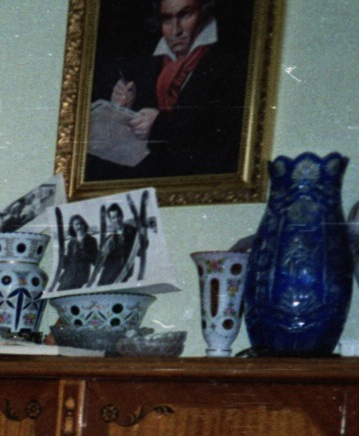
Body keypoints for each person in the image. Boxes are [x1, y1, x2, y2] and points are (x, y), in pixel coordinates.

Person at [94, 0, 247, 179]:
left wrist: (158, 125)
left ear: (204, 13)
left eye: (185, 15)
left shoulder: (228, 65)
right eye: (167, 19)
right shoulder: (151, 69)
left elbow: (219, 141)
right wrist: (122, 108)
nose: (176, 30)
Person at [52, 211, 99, 291]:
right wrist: (61, 256)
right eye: (76, 224)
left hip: (81, 277)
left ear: (84, 224)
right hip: (68, 276)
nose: (79, 226)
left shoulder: (91, 240)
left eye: (81, 223)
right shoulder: (71, 243)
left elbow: (95, 260)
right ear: (73, 227)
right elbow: (67, 263)